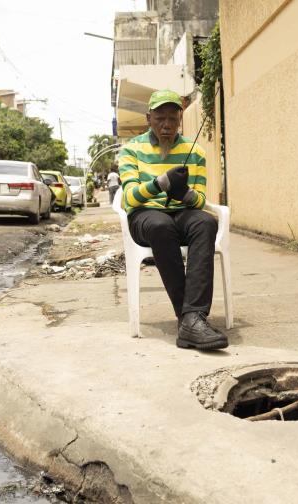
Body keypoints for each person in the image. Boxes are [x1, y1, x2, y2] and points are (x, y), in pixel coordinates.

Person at [117, 89, 227, 350]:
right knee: (160, 225)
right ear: (148, 118)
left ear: (180, 119)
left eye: (172, 118)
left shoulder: (195, 152)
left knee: (206, 222)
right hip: (146, 215)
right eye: (159, 118)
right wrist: (160, 184)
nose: (166, 125)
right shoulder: (130, 151)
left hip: (182, 212)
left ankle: (192, 319)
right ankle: (190, 319)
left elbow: (201, 200)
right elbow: (130, 199)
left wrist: (185, 194)